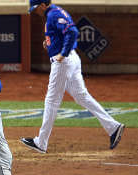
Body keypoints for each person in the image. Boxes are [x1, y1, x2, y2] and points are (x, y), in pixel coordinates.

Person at [20, 0, 125, 153]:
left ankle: (41, 143)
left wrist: (62, 54)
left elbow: (72, 32)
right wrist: (49, 43)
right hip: (72, 60)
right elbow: (61, 34)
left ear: (43, 5)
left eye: (36, 8)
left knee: (52, 100)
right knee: (81, 96)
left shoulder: (53, 14)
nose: (35, 12)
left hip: (64, 62)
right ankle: (113, 127)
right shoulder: (54, 12)